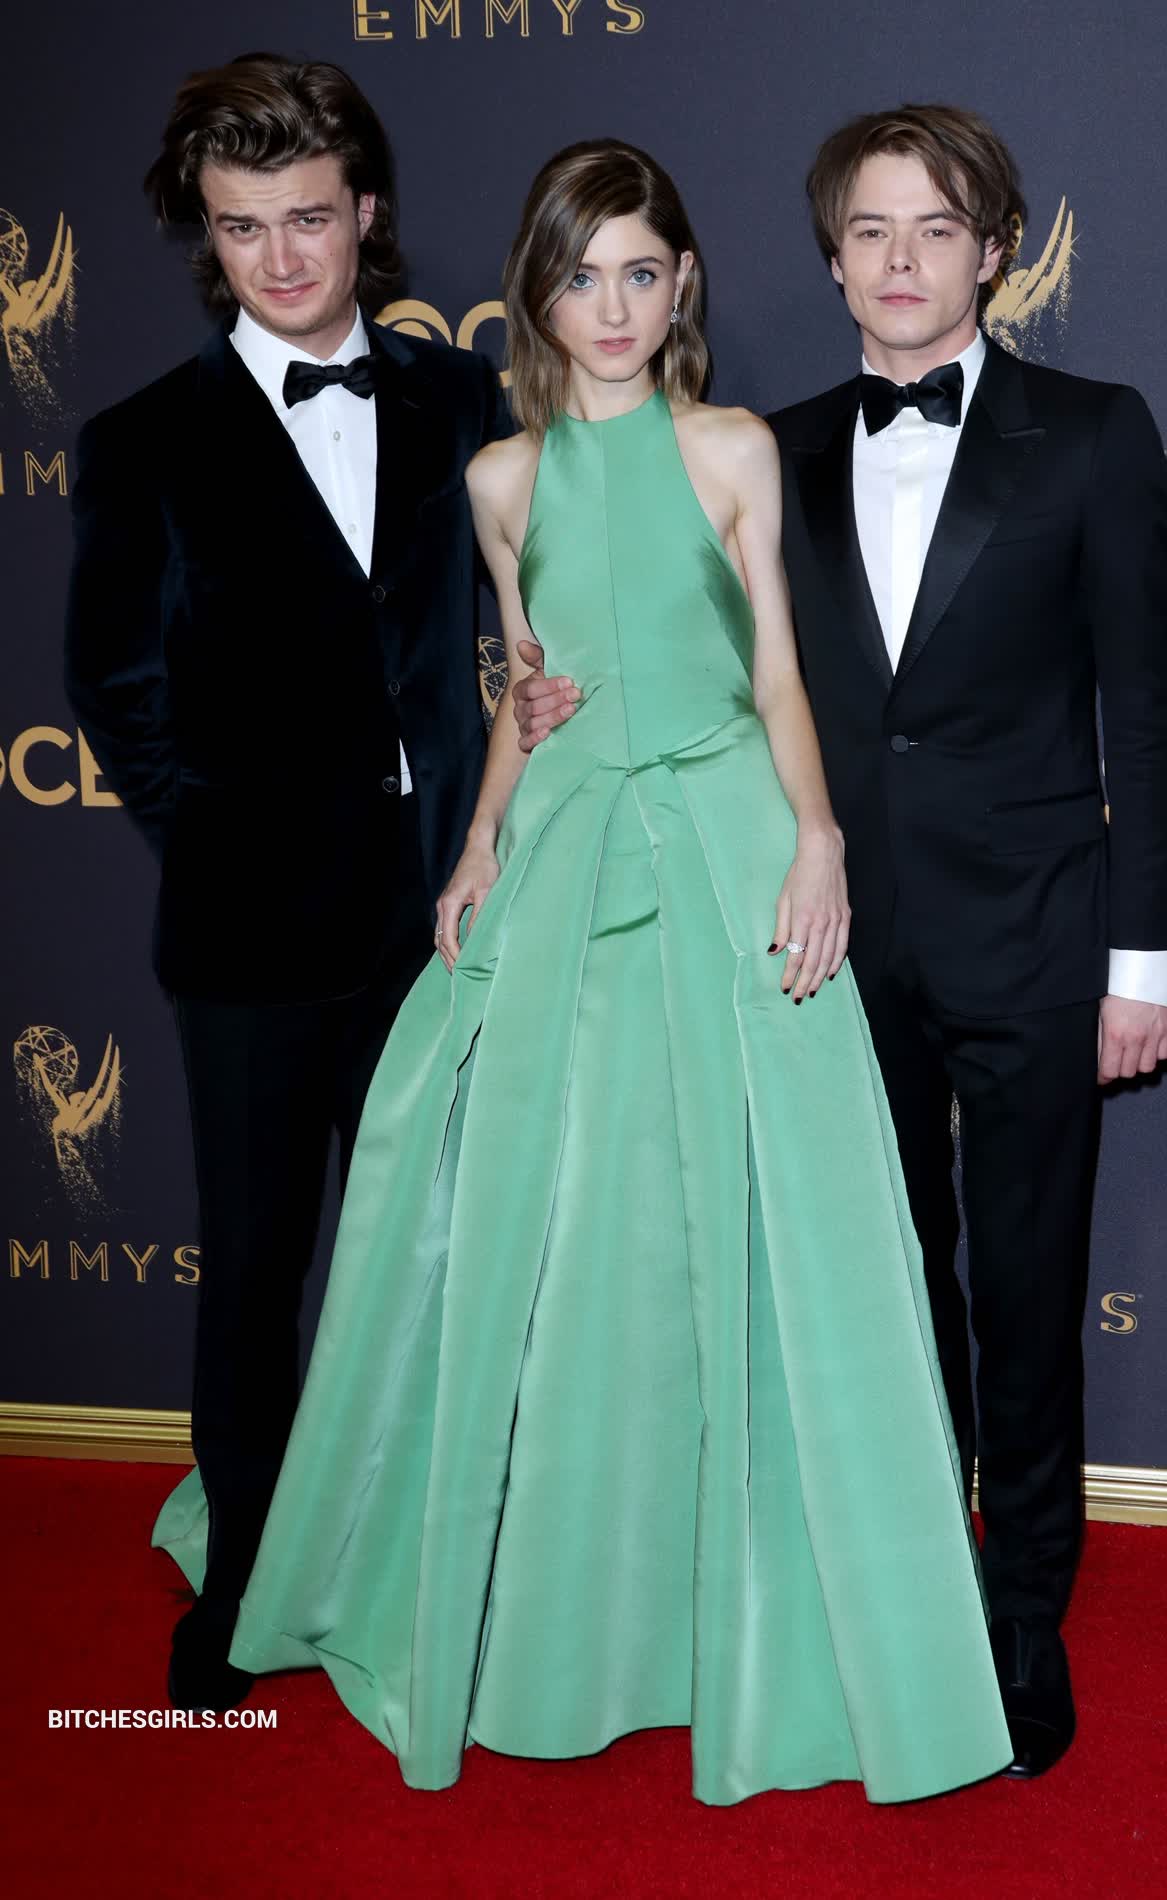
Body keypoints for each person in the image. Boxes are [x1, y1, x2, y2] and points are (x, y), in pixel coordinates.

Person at [151, 138, 1011, 1806]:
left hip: (728, 843)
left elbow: (776, 671)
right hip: (564, 857)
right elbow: (524, 688)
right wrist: (481, 838)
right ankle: (544, 1589)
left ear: (682, 284)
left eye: (638, 272)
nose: (609, 306)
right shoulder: (501, 480)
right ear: (535, 296)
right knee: (562, 1231)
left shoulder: (733, 447)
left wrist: (816, 839)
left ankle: (762, 1607)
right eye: (576, 276)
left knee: (749, 1228)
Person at [513, 105, 1167, 1778]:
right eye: (873, 231)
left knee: (1023, 1293)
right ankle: (907, 1598)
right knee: (874, 1293)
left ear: (995, 252)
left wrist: (1143, 963)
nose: (903, 261)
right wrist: (536, 711)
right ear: (831, 260)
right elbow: (693, 671)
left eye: (938, 229)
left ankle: (1020, 1616)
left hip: (1037, 939)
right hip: (815, 944)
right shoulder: (764, 447)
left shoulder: (1095, 434)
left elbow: (1149, 711)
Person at [64, 52, 507, 1713]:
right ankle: (244, 1585)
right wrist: (228, 837)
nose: (280, 258)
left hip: (443, 919)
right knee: (255, 1277)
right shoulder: (141, 440)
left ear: (366, 213)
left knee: (441, 1262)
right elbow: (116, 689)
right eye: (243, 228)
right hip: (248, 935)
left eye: (308, 218)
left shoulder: (463, 401)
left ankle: (432, 1571)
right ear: (209, 234)